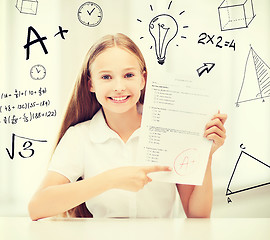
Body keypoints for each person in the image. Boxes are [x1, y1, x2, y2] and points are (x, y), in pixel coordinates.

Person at [28, 33, 227, 221]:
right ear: (91, 84)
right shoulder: (79, 137)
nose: (119, 87)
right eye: (106, 77)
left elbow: (197, 215)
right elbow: (37, 207)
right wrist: (112, 179)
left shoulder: (169, 128)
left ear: (143, 79)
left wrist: (205, 155)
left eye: (129, 75)